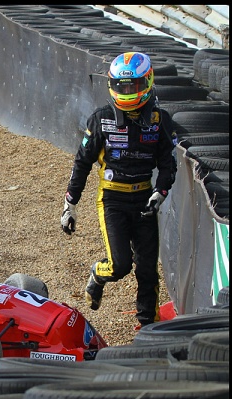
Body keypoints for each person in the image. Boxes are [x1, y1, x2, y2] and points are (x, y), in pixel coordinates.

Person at [60, 51, 178, 330]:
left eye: (133, 86)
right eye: (122, 86)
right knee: (120, 265)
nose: (127, 92)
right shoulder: (100, 119)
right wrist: (70, 204)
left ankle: (148, 326)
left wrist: (160, 193)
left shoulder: (161, 120)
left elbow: (168, 164)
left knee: (148, 269)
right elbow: (82, 162)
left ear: (147, 83)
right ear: (112, 85)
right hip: (112, 199)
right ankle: (98, 275)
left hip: (145, 198)